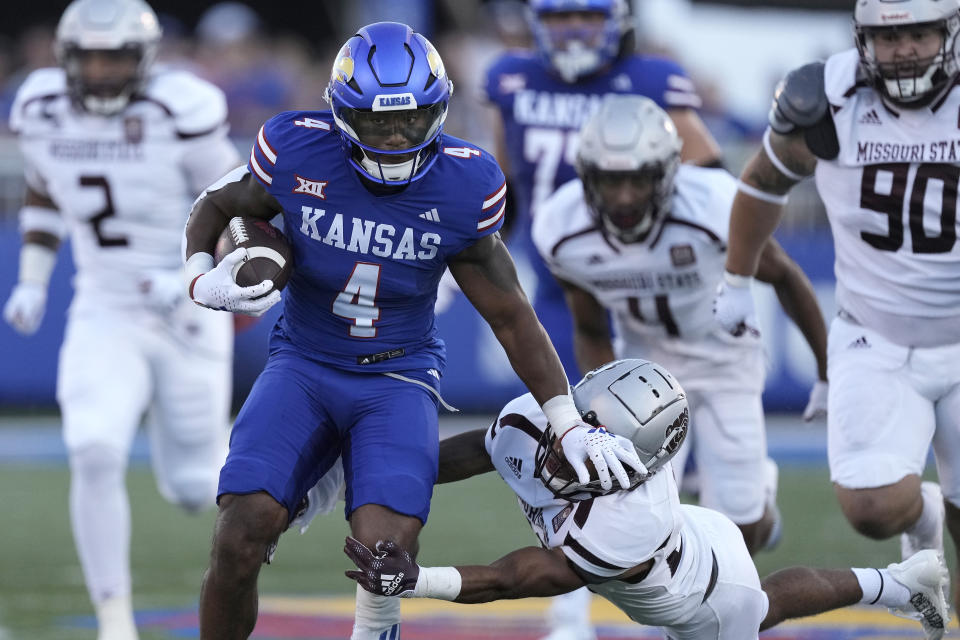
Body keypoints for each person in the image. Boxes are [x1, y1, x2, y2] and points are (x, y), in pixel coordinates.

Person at [181, 22, 642, 640]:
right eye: (378, 123)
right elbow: (218, 204)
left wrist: (565, 418)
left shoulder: (463, 182)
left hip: (397, 378)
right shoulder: (296, 149)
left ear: (440, 110)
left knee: (385, 556)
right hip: (304, 363)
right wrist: (199, 275)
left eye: (411, 120)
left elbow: (510, 314)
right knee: (240, 533)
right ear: (344, 115)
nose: (396, 136)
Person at [344, 359, 951, 640]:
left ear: (631, 469)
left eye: (591, 457)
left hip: (700, 596)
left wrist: (416, 580)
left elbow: (521, 576)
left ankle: (899, 583)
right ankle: (901, 582)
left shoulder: (630, 515)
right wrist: (380, 477)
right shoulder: (539, 418)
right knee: (768, 604)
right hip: (691, 534)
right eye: (576, 426)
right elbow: (483, 450)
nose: (564, 452)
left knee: (759, 608)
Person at [2, 1, 240, 639]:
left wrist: (190, 275)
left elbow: (236, 207)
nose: (103, 71)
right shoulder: (42, 107)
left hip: (186, 309)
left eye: (116, 57)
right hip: (103, 304)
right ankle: (114, 621)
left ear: (145, 58)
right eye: (91, 57)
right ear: (66, 58)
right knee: (94, 448)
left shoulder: (178, 109)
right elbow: (47, 187)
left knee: (196, 488)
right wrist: (32, 278)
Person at [713, 0, 959, 611]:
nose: (904, 50)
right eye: (888, 36)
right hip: (874, 333)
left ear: (949, 31)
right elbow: (760, 183)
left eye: (921, 34)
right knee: (872, 508)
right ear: (861, 39)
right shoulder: (829, 99)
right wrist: (738, 281)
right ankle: (921, 515)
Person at [533, 94, 828, 557]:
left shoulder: (713, 206)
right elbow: (590, 328)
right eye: (611, 181)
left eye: (638, 179)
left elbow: (786, 276)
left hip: (726, 363)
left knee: (740, 534)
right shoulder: (561, 228)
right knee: (638, 524)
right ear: (589, 177)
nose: (625, 196)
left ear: (667, 172)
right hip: (645, 372)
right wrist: (606, 407)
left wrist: (829, 370)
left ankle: (760, 497)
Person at [484, 0, 722, 376]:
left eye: (589, 16)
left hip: (640, 285)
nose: (575, 29)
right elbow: (505, 189)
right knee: (553, 422)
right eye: (560, 17)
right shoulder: (513, 79)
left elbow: (713, 186)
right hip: (554, 289)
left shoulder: (649, 80)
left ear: (618, 21)